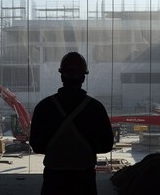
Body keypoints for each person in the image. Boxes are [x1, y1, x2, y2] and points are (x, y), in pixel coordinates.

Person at [29, 51, 114, 195]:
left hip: (53, 179)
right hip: (84, 179)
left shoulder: (44, 107)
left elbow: (37, 145)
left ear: (61, 76)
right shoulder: (96, 108)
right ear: (83, 78)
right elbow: (106, 145)